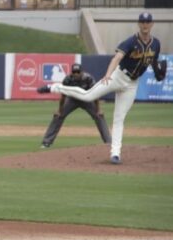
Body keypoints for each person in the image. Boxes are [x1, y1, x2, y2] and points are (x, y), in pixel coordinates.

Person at [38, 12, 166, 164]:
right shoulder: (131, 41)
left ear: (152, 24)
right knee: (87, 96)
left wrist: (158, 72)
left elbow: (153, 61)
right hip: (117, 76)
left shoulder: (156, 44)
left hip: (132, 84)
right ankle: (54, 87)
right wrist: (108, 75)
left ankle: (115, 153)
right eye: (142, 22)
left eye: (148, 22)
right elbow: (117, 58)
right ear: (139, 24)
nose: (145, 25)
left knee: (119, 118)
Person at [41, 63, 111, 148]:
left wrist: (98, 109)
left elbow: (95, 94)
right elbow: (63, 95)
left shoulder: (88, 78)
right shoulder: (68, 79)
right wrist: (59, 110)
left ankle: (108, 142)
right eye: (74, 72)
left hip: (86, 99)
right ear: (72, 72)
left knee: (99, 116)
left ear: (81, 72)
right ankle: (46, 142)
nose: (76, 74)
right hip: (72, 99)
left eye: (78, 72)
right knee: (58, 116)